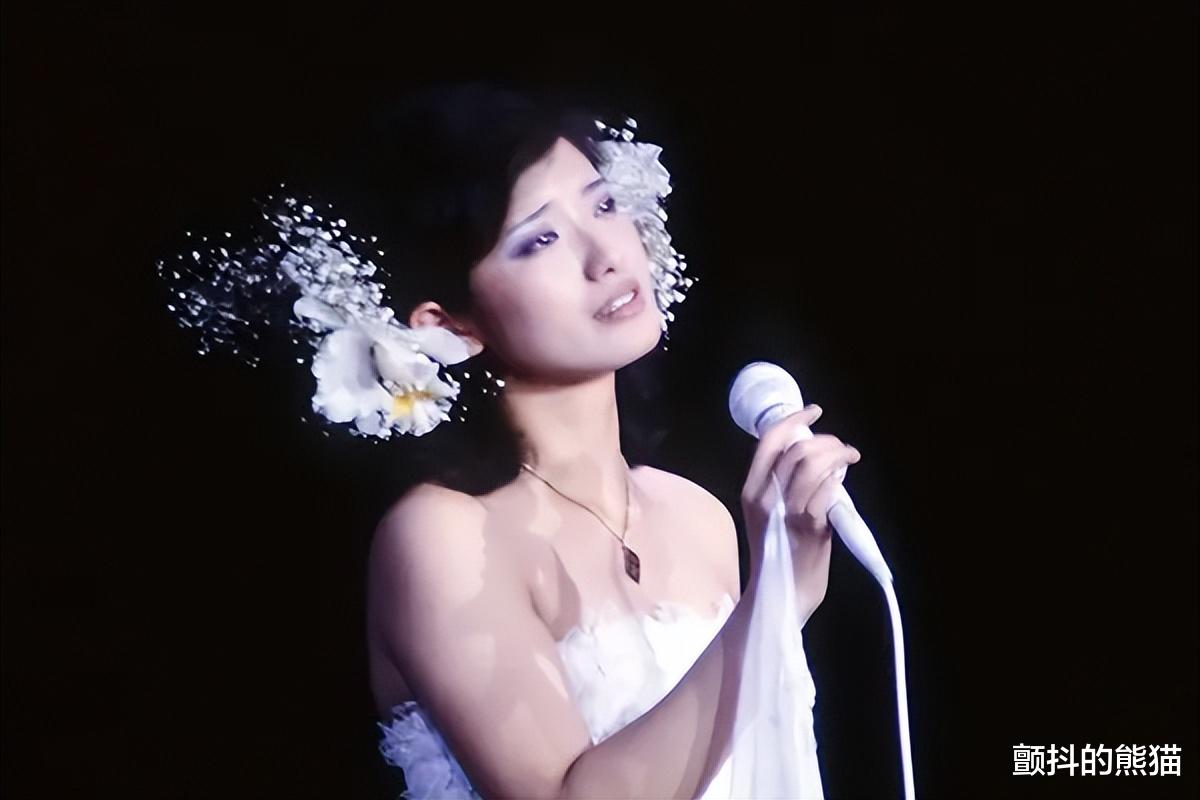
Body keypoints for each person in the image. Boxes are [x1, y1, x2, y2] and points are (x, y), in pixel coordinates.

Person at [351, 84, 859, 799]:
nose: (606, 256)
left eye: (604, 205)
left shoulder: (698, 515)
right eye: (541, 240)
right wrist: (780, 594)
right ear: (450, 325)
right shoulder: (442, 536)